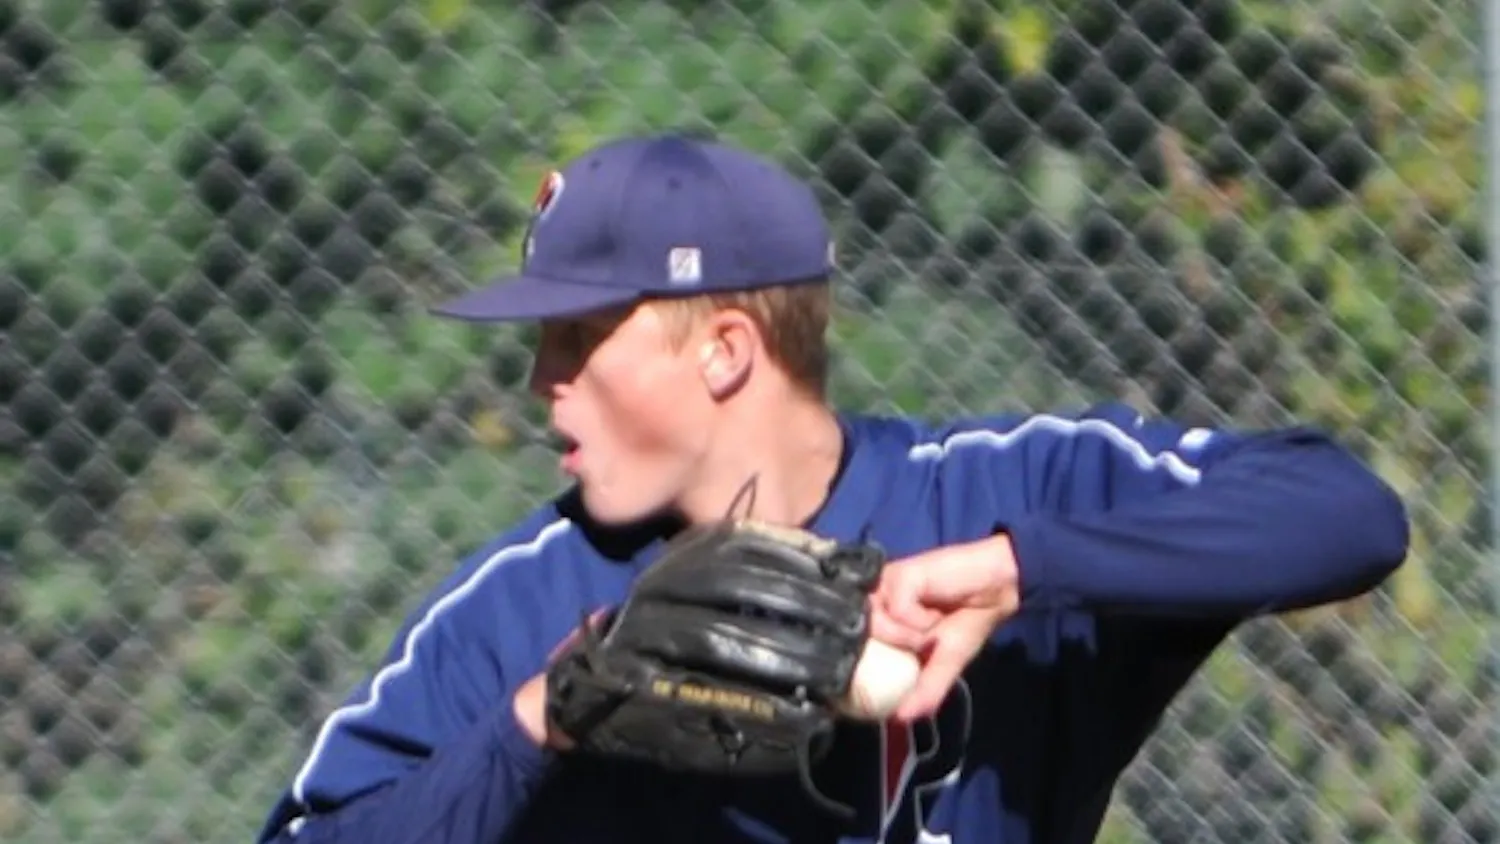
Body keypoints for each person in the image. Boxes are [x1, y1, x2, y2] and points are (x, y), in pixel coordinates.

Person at [253, 133, 1409, 844]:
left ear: (725, 351)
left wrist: (1024, 570)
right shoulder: (521, 605)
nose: (540, 377)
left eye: (578, 336)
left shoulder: (1000, 494)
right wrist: (540, 720)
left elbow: (1346, 510)